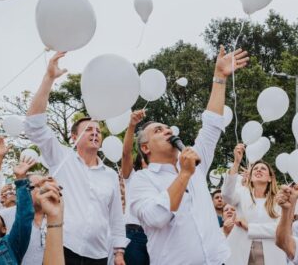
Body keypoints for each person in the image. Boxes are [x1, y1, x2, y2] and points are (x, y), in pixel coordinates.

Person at [129, 46, 249, 265]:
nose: (168, 131)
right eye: (158, 130)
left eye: (168, 128)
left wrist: (219, 77)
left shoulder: (195, 161)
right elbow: (156, 217)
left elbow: (212, 126)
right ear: (145, 148)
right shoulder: (141, 180)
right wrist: (184, 175)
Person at [25, 51, 128, 265]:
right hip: (61, 246)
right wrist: (49, 78)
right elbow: (34, 125)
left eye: (99, 131)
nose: (95, 133)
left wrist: (119, 252)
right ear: (74, 136)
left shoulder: (110, 175)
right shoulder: (61, 156)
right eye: (88, 129)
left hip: (98, 254)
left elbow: (116, 216)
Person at [222, 144, 286, 265]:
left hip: (270, 254)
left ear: (270, 178)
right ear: (250, 178)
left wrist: (249, 227)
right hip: (239, 251)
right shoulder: (241, 194)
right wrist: (236, 162)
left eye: (263, 169)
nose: (258, 170)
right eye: (255, 169)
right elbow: (226, 194)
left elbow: (279, 230)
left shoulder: (279, 200)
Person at [0, 157, 45, 265]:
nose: (42, 190)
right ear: (24, 189)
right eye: (36, 186)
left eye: (44, 185)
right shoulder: (3, 216)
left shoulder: (57, 217)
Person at [120, 109, 150, 265]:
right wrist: (132, 126)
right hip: (134, 233)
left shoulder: (165, 179)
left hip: (157, 235)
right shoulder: (133, 177)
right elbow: (126, 153)